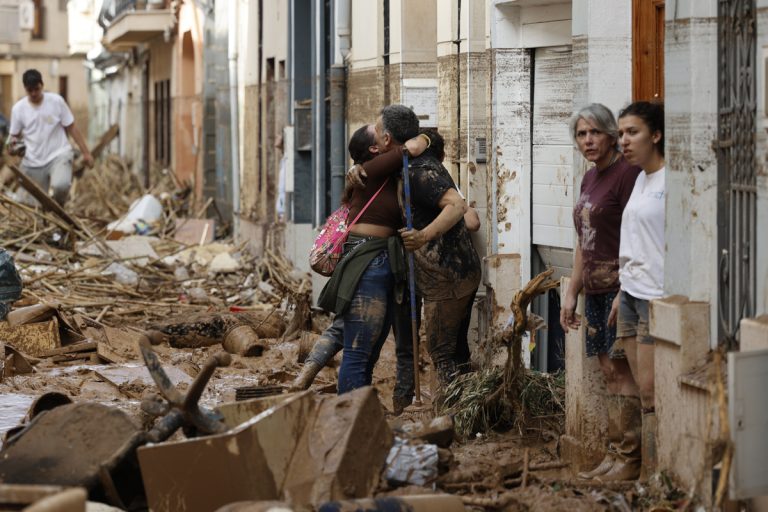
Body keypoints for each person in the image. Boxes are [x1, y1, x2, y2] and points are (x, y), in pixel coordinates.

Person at [356, 106, 480, 400]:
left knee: (442, 353)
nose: (375, 139)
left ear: (387, 139)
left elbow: (457, 205)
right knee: (455, 351)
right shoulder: (405, 164)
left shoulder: (418, 171)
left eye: (377, 132)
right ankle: (466, 412)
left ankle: (452, 416)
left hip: (448, 278)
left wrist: (424, 235)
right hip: (444, 276)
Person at [560, 104, 642, 481]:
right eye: (581, 134)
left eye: (595, 132)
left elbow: (637, 235)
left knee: (622, 371)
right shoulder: (589, 178)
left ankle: (630, 458)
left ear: (611, 136)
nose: (588, 140)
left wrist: (625, 290)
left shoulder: (627, 175)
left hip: (619, 289)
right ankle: (613, 453)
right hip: (593, 291)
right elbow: (584, 241)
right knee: (608, 371)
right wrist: (571, 292)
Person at [317, 119, 428, 395]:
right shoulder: (371, 169)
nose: (382, 133)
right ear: (374, 149)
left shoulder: (383, 170)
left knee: (368, 349)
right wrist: (424, 138)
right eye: (378, 132)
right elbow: (414, 146)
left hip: (380, 260)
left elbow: (419, 145)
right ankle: (349, 412)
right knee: (359, 349)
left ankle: (357, 409)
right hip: (368, 262)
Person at [613, 101, 666, 480]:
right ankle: (643, 470)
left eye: (633, 132)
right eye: (621, 134)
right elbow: (634, 242)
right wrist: (621, 291)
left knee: (650, 390)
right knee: (638, 388)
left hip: (655, 296)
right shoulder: (640, 179)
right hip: (630, 293)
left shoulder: (671, 180)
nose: (624, 141)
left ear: (656, 135)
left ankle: (656, 476)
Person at [8, 69, 93, 206]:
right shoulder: (18, 109)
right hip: (32, 162)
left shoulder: (56, 101)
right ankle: (49, 215)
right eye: (30, 90)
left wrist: (86, 153)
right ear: (25, 89)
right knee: (35, 204)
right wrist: (12, 147)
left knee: (61, 186)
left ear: (42, 85)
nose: (34, 93)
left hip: (58, 155)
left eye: (37, 89)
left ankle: (58, 208)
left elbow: (71, 127)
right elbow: (13, 137)